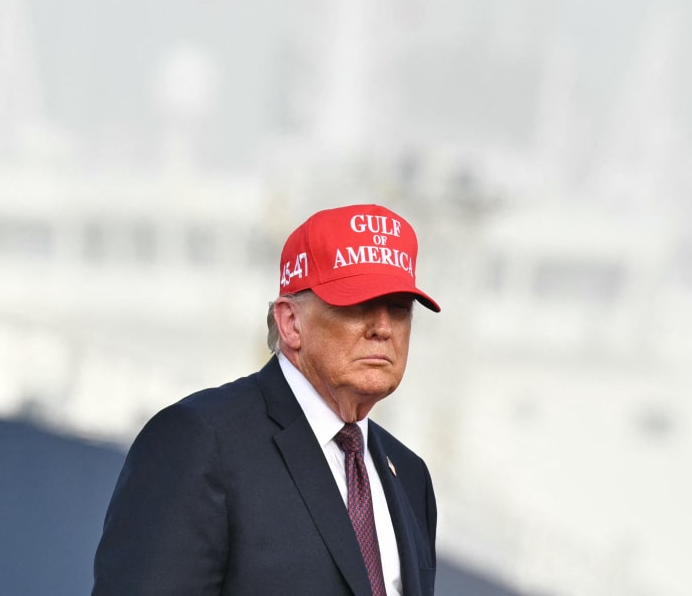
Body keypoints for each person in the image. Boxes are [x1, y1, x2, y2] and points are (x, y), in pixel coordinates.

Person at [92, 203, 440, 596]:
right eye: (358, 304)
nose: (383, 328)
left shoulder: (410, 476)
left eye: (399, 309)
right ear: (290, 322)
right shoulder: (199, 441)